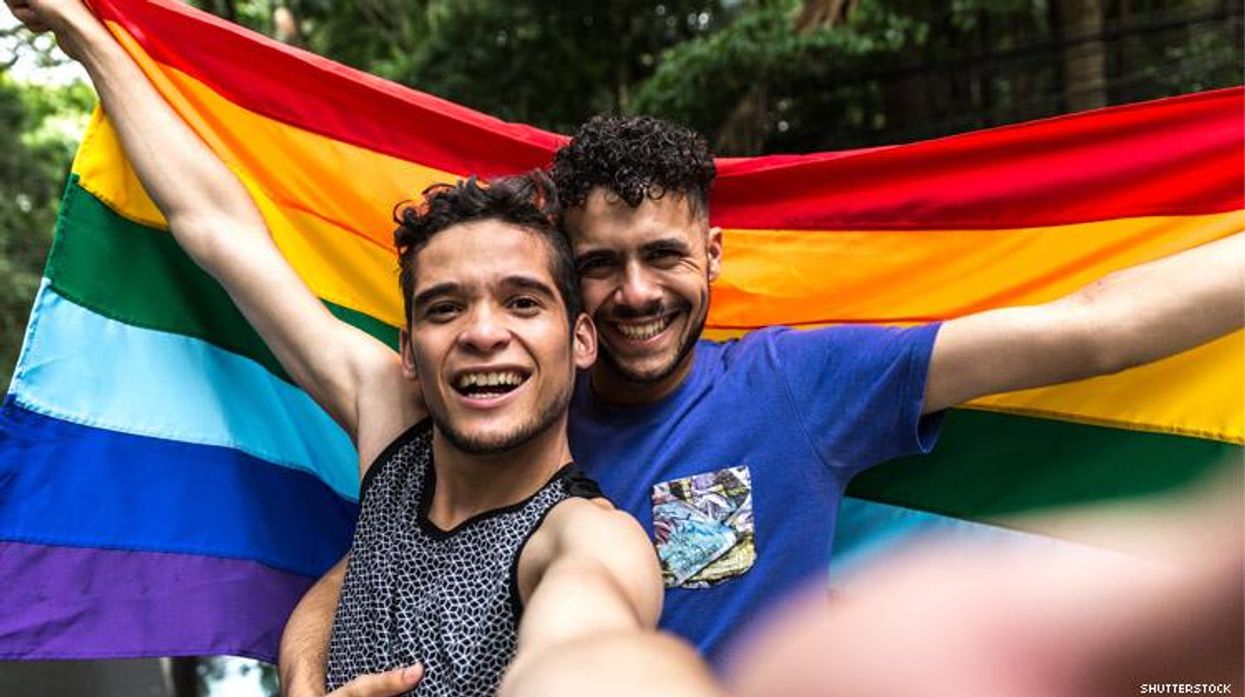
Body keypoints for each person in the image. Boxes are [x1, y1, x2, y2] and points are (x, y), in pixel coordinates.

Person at [283, 114, 1242, 695]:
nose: (636, 293)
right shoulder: (499, 408)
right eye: (601, 266)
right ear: (569, 296)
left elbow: (1092, 327)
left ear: (712, 255)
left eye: (662, 255)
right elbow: (373, 555)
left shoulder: (799, 386)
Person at [0, 2, 729, 697]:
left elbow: (581, 646)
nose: (482, 332)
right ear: (409, 349)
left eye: (521, 301)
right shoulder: (391, 420)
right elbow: (216, 227)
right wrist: (81, 32)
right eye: (446, 307)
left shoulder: (588, 538)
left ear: (579, 338)